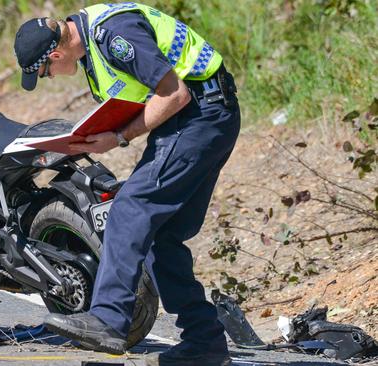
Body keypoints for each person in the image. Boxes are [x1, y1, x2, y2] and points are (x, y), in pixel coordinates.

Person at [13, 3, 240, 366]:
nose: (50, 77)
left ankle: (108, 319)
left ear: (55, 54)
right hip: (201, 117)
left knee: (129, 209)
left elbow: (174, 94)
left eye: (45, 71)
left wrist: (118, 137)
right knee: (161, 236)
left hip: (200, 115)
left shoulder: (113, 35)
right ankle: (205, 342)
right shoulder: (91, 46)